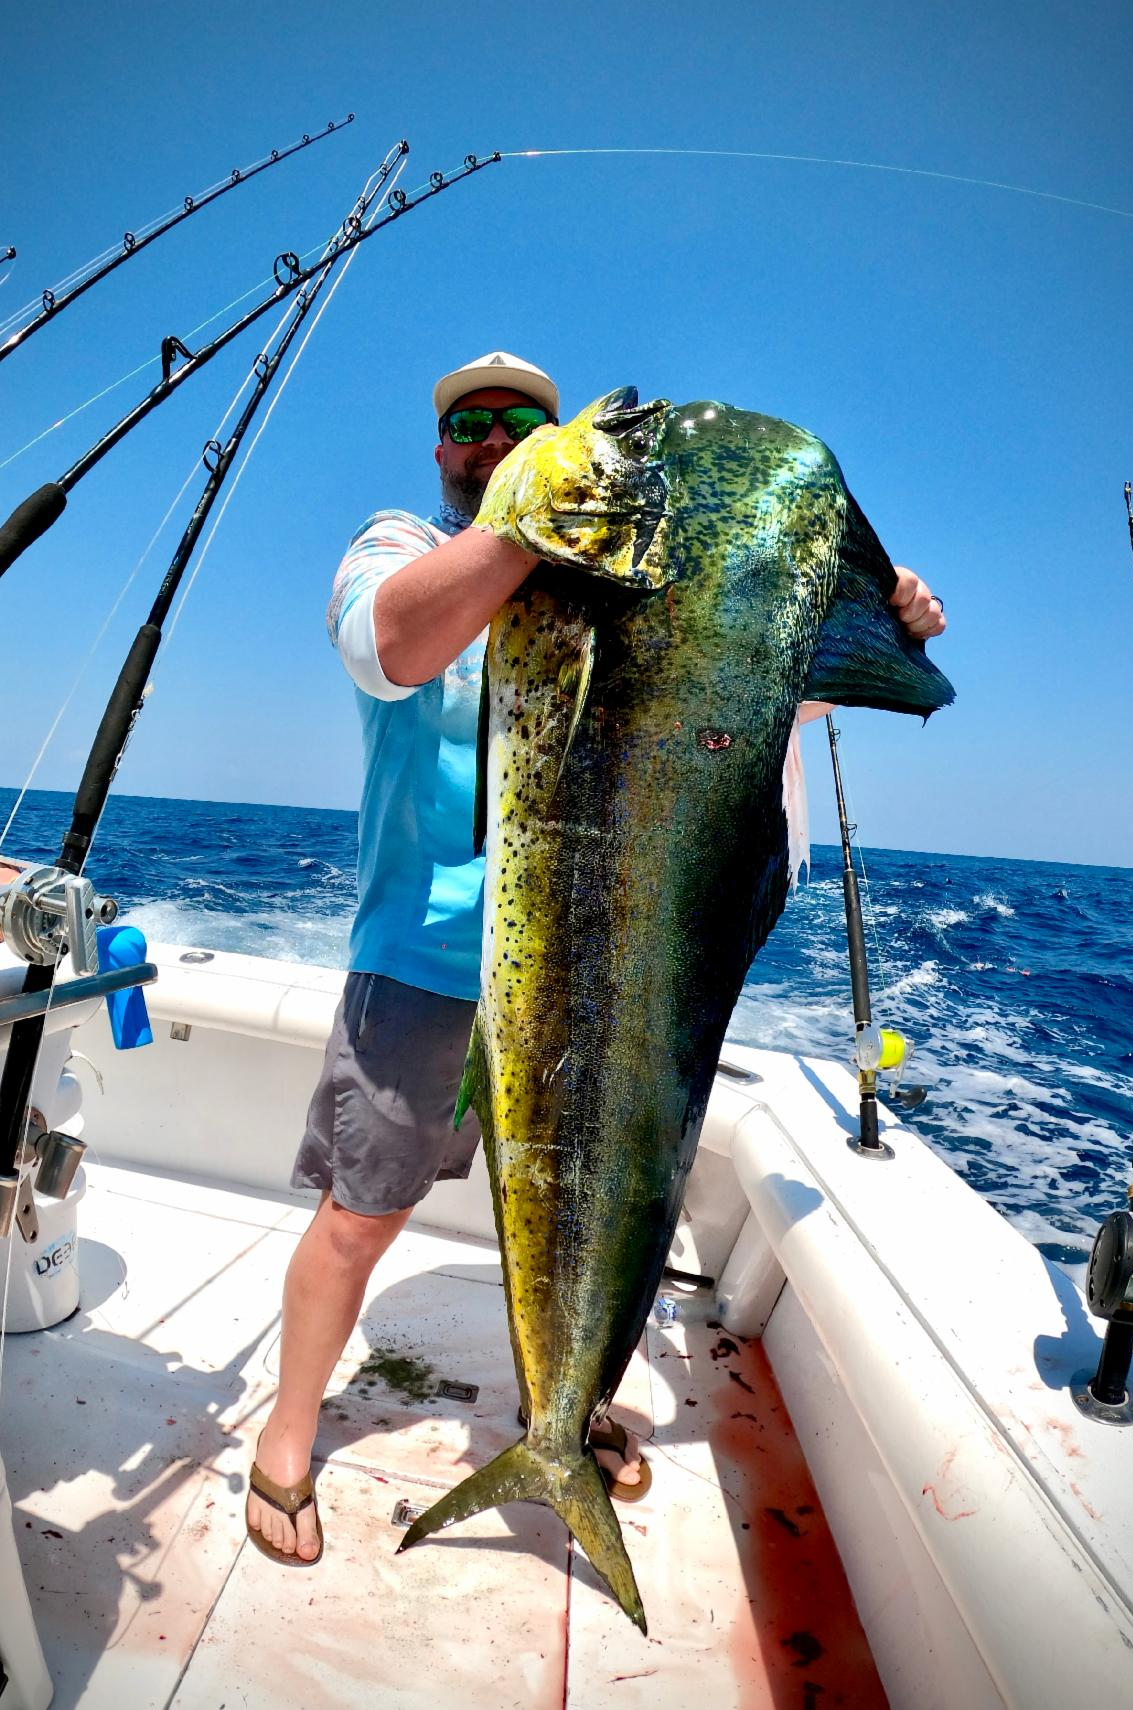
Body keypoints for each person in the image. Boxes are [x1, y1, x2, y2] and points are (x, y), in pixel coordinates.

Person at [245, 353, 947, 1565]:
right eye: (469, 424)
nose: (491, 438)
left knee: (609, 1211)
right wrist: (526, 525)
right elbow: (388, 645)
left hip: (603, 974)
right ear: (442, 451)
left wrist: (876, 615)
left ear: (552, 436)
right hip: (422, 964)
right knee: (361, 1217)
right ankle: (286, 1437)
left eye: (519, 422)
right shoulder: (402, 545)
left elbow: (758, 694)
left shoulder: (627, 573)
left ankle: (561, 1419)